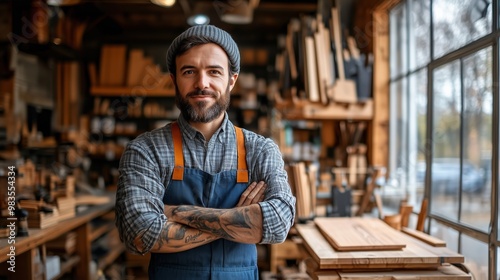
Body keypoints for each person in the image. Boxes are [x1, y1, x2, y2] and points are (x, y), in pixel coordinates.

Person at [115, 24, 296, 280]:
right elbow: (140, 233)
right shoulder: (146, 150)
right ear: (174, 80)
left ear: (231, 80)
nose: (202, 83)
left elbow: (277, 225)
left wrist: (173, 212)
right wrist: (242, 220)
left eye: (214, 71)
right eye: (189, 71)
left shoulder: (260, 150)